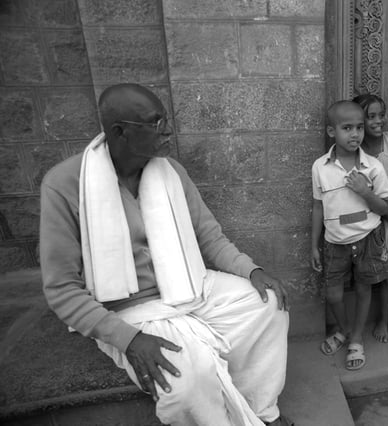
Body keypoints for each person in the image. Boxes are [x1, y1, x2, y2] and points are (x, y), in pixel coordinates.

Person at [39, 84, 292, 426]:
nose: (167, 130)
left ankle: (260, 410)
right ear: (120, 132)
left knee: (268, 306)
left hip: (187, 283)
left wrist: (251, 271)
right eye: (155, 123)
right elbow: (61, 289)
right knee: (189, 379)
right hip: (125, 306)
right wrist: (129, 340)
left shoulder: (170, 170)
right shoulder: (65, 185)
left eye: (165, 119)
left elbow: (209, 237)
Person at [311, 100, 388, 370]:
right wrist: (314, 245)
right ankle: (344, 330)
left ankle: (356, 338)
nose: (355, 134)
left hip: (367, 238)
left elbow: (385, 209)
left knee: (363, 289)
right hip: (334, 242)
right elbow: (317, 206)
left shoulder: (373, 167)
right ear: (332, 131)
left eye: (359, 127)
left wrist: (365, 191)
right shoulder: (320, 167)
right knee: (334, 294)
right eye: (347, 128)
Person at [352, 94, 388, 345]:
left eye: (381, 114)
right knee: (380, 275)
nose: (378, 121)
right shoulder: (354, 149)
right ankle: (376, 321)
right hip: (375, 218)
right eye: (370, 116)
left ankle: (386, 319)